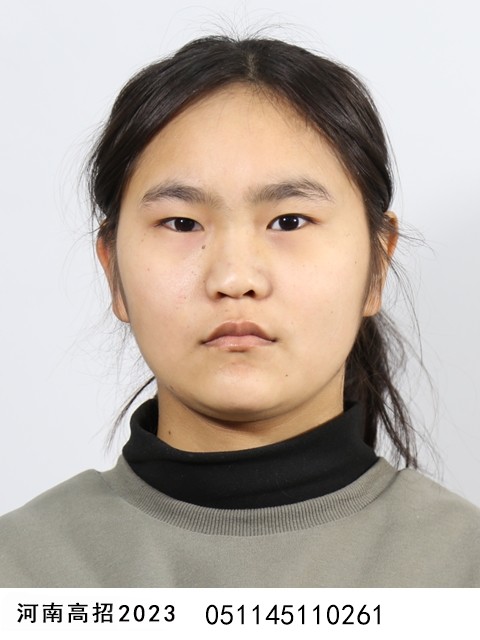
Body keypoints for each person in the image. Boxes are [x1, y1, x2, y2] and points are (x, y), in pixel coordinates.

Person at [0, 35, 479, 587]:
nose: (234, 278)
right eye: (181, 223)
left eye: (289, 221)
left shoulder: (462, 570)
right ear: (114, 271)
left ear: (377, 266)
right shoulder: (21, 571)